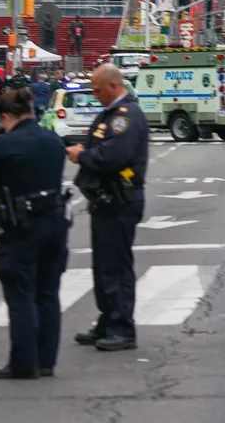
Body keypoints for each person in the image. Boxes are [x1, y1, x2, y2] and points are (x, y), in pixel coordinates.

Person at [0, 88, 70, 379]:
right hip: (54, 222)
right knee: (48, 293)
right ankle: (46, 360)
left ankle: (24, 362)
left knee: (21, 294)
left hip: (21, 227)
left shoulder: (5, 144)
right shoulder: (52, 140)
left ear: (6, 116)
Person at [66, 64, 149, 352]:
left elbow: (114, 156)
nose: (95, 94)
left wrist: (83, 155)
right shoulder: (111, 115)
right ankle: (107, 320)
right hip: (105, 200)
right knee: (103, 266)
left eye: (98, 90)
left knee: (116, 266)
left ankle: (122, 327)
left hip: (119, 200)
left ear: (113, 85)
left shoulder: (125, 116)